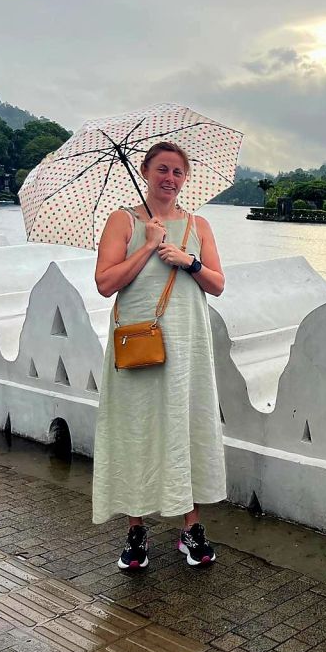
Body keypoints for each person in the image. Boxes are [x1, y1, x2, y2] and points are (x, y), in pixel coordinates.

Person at [92, 141, 226, 569]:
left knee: (186, 426)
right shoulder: (123, 221)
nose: (170, 178)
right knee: (138, 429)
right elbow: (105, 283)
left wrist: (188, 261)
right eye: (162, 169)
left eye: (177, 172)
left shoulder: (198, 225)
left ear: (185, 178)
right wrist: (149, 246)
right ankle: (136, 531)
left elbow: (217, 284)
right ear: (145, 171)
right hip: (139, 343)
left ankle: (191, 528)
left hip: (186, 345)